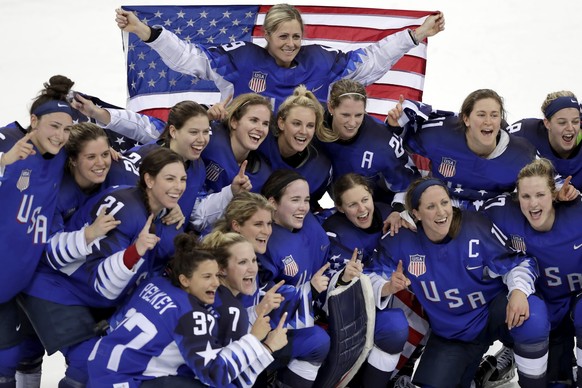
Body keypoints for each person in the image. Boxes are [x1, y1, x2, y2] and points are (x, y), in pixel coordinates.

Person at [19, 147, 187, 387]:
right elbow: (101, 285)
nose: (178, 186)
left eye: (182, 179)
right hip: (59, 287)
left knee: (100, 361)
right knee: (85, 363)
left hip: (91, 297)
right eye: (170, 178)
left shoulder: (164, 216)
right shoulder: (126, 210)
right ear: (149, 179)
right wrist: (134, 252)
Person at [370, 177, 550, 387]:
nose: (441, 212)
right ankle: (476, 373)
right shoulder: (399, 239)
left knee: (533, 315)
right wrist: (386, 287)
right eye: (431, 206)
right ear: (416, 213)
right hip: (452, 335)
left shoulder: (474, 225)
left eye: (444, 203)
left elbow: (520, 262)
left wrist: (518, 291)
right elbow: (368, 276)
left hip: (491, 312)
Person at [115, 4, 445, 112]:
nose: (290, 44)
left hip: (302, 167)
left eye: (296, 36)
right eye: (283, 36)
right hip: (246, 163)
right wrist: (146, 32)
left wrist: (414, 35)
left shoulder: (322, 63)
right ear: (267, 37)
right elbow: (189, 58)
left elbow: (372, 60)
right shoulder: (240, 60)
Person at [87, 232, 287, 387]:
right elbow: (217, 376)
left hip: (97, 364)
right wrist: (262, 344)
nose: (216, 283)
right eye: (207, 277)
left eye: (216, 276)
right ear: (185, 279)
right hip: (124, 381)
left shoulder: (156, 282)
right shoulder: (194, 314)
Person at [0, 75, 74, 388]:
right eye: (53, 126)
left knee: (23, 355)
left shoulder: (61, 157)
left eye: (66, 128)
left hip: (21, 280)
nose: (59, 135)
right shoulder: (8, 141)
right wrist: (4, 162)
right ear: (34, 121)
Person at [482, 158, 582, 385]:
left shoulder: (577, 215)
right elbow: (455, 213)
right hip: (540, 309)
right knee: (531, 319)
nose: (532, 203)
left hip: (572, 306)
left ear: (554, 195)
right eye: (525, 196)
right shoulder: (503, 214)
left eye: (540, 195)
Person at [322, 173, 411, 387]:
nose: (362, 209)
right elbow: (335, 294)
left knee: (404, 318)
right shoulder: (335, 233)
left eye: (364, 200)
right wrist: (385, 287)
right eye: (352, 205)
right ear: (340, 208)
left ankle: (404, 370)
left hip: (382, 299)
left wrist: (400, 213)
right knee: (392, 325)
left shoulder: (388, 213)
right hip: (346, 312)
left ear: (372, 195)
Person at [387, 89, 539, 211]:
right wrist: (396, 123)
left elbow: (549, 184)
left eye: (494, 115)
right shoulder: (440, 135)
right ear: (466, 119)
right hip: (441, 210)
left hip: (489, 219)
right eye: (481, 115)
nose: (488, 122)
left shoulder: (522, 154)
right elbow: (397, 140)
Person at [258, 169, 331, 387]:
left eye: (306, 200)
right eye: (295, 200)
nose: (303, 207)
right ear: (272, 203)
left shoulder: (309, 224)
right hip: (264, 332)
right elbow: (262, 299)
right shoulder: (262, 239)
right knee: (318, 340)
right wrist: (309, 289)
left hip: (304, 316)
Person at [317, 79, 420, 220]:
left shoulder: (382, 143)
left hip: (375, 212)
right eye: (345, 115)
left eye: (359, 115)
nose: (352, 123)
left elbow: (409, 183)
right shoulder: (313, 122)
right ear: (330, 108)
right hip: (336, 206)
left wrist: (398, 211)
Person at [258, 86, 333, 207]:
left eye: (310, 125)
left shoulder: (319, 167)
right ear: (281, 123)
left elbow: (311, 206)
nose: (303, 131)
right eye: (296, 123)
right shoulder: (260, 139)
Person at [507, 91, 582, 190]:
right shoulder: (524, 132)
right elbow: (493, 144)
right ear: (547, 123)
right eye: (562, 122)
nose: (570, 128)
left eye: (575, 121)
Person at [201, 93, 274, 194]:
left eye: (265, 124)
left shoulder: (263, 175)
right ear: (234, 122)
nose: (260, 129)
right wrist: (204, 118)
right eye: (253, 120)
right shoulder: (208, 137)